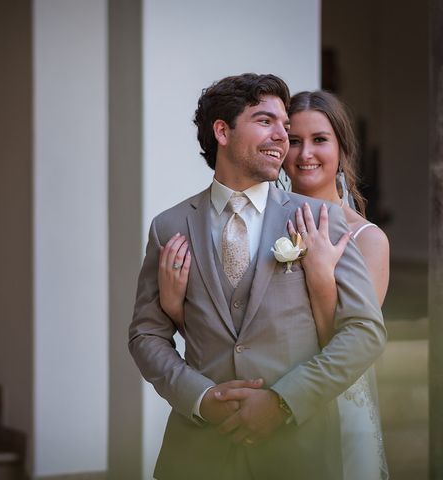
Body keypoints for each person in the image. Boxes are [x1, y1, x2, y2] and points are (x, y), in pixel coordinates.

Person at [129, 73, 386, 480]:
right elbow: (146, 334)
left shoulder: (322, 221)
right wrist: (201, 398)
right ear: (222, 131)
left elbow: (365, 331)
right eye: (266, 121)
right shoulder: (169, 226)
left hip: (297, 453)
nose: (282, 137)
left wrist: (283, 402)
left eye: (285, 126)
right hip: (197, 455)